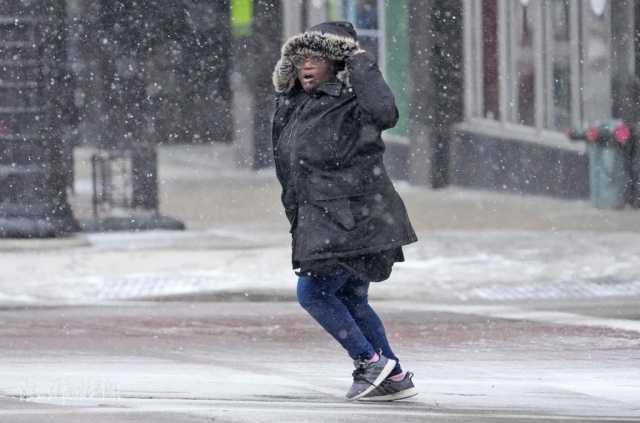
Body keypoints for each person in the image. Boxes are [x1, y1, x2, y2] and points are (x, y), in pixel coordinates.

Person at [271, 21, 418, 401]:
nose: (307, 65)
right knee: (352, 298)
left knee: (314, 294)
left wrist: (359, 60)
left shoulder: (353, 101)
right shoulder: (294, 105)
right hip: (320, 217)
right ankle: (393, 374)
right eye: (301, 57)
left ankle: (370, 362)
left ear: (336, 63)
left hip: (355, 217)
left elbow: (386, 113)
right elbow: (289, 167)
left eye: (317, 57)